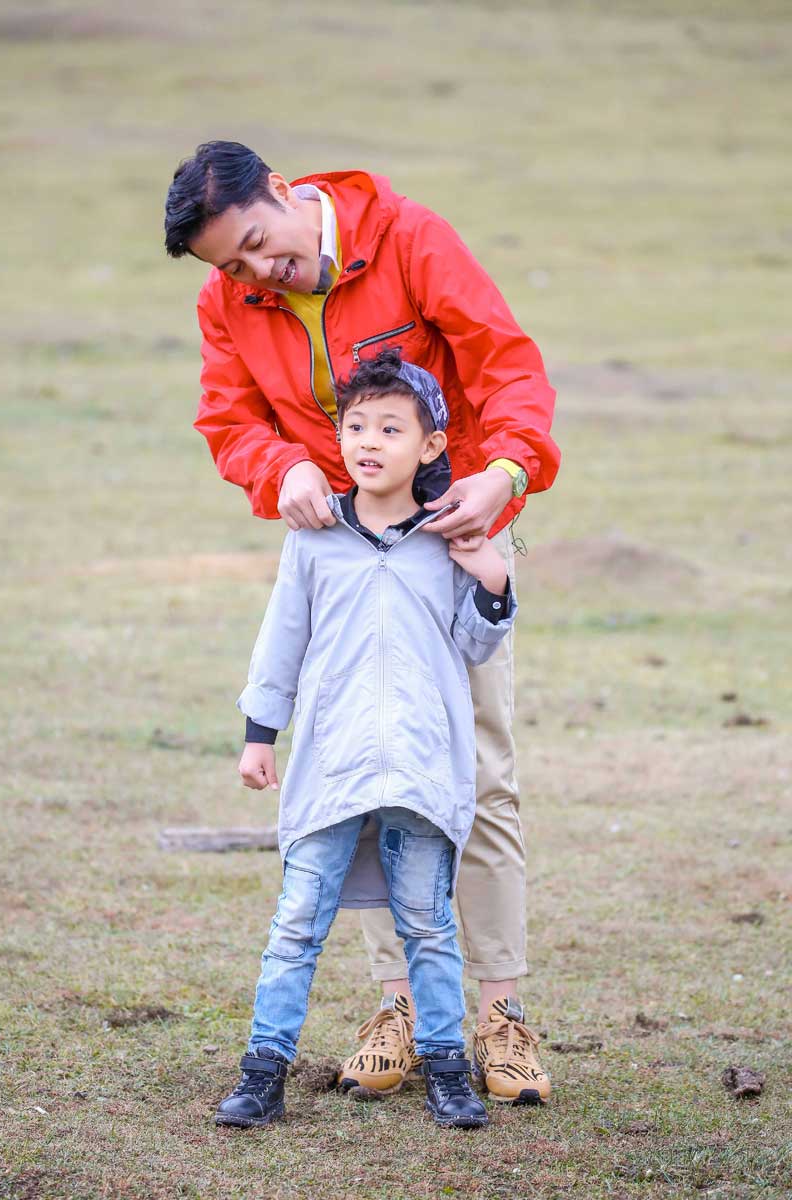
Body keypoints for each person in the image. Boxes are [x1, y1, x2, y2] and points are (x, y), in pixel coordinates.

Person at [164, 141, 559, 1106]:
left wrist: (503, 473)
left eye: (261, 245)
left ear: (285, 192)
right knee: (364, 775)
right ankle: (399, 1008)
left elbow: (507, 366)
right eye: (234, 266)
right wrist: (284, 468)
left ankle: (500, 1016)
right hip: (339, 557)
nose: (259, 274)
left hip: (455, 540)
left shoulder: (410, 238)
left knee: (479, 773)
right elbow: (230, 421)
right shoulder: (228, 301)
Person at [216, 352, 516, 1130]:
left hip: (421, 767)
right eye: (355, 427)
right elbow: (281, 639)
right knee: (296, 921)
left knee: (428, 923)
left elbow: (476, 645)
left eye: (390, 428)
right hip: (333, 767)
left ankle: (447, 1071)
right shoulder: (315, 538)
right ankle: (263, 1072)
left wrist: (490, 580)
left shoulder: (446, 539)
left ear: (430, 445)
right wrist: (259, 735)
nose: (368, 442)